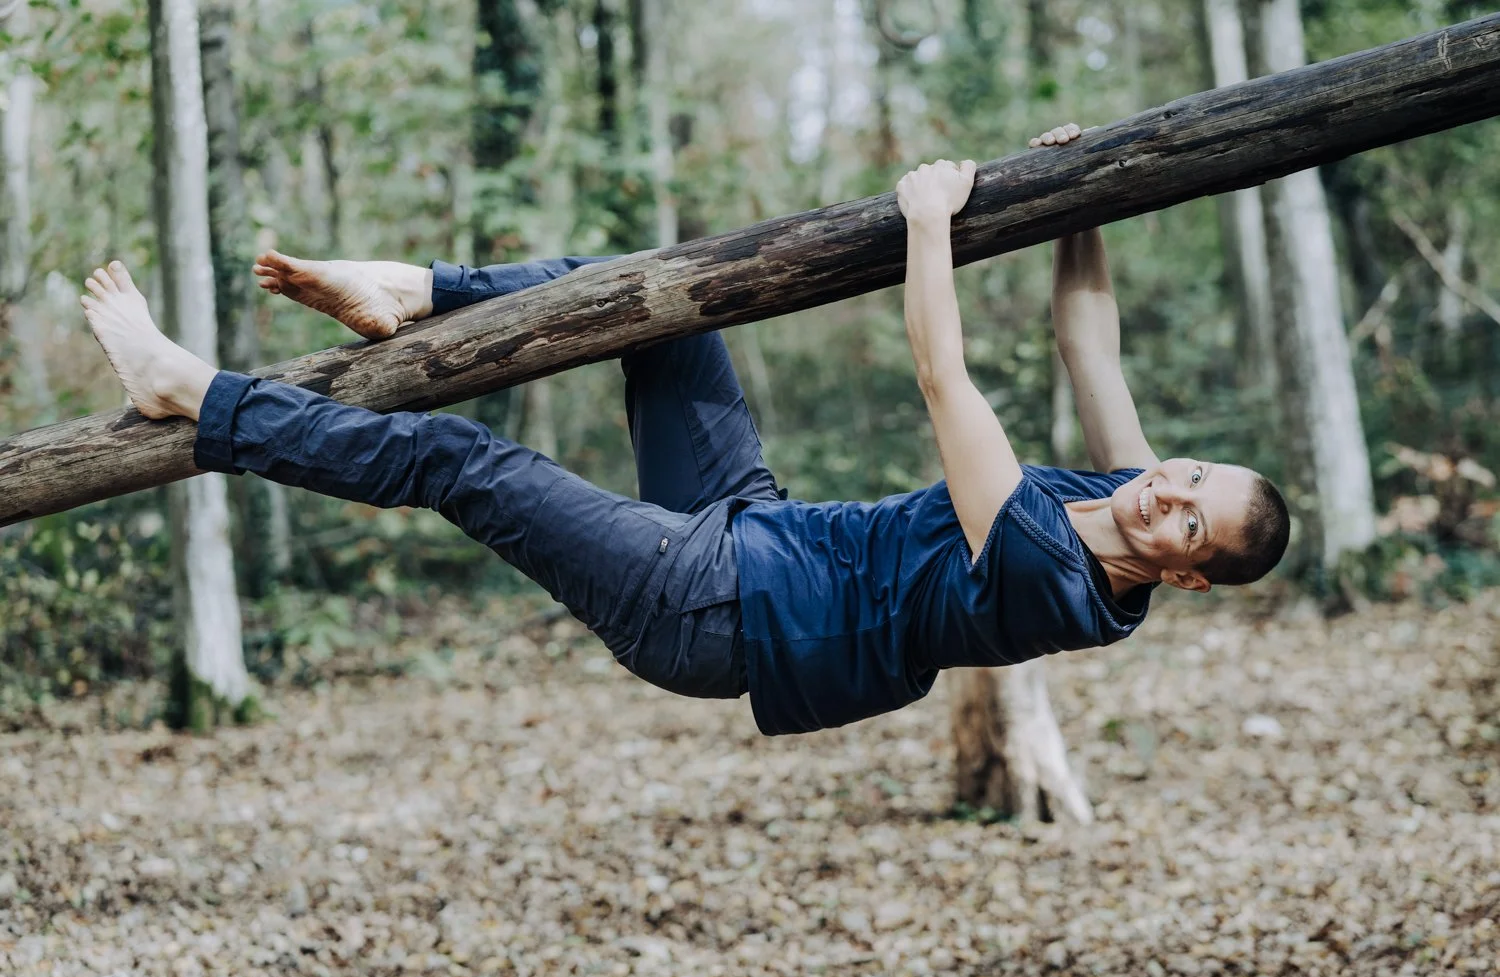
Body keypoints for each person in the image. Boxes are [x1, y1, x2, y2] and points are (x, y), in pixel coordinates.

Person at [79, 124, 1289, 737]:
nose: (1164, 491)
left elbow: (942, 376)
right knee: (662, 302)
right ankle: (412, 289)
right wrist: (1080, 195)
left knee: (461, 461)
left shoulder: (1051, 574)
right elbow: (1091, 340)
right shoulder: (1128, 494)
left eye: (1188, 520)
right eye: (1187, 475)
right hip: (759, 536)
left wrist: (931, 221)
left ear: (1187, 574)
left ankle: (196, 394)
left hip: (717, 612)